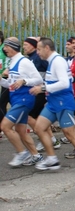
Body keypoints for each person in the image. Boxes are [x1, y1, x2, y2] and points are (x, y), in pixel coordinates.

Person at [29, 37, 75, 173]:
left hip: (63, 102)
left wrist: (43, 89)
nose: (37, 52)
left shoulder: (58, 61)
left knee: (69, 134)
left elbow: (65, 83)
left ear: (47, 48)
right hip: (53, 102)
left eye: (39, 49)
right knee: (39, 128)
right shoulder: (51, 61)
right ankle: (52, 158)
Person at [0, 37, 44, 167]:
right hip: (16, 99)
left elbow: (37, 79)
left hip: (24, 99)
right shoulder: (12, 62)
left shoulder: (24, 62)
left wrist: (24, 81)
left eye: (6, 47)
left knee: (5, 126)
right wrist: (2, 80)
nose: (4, 49)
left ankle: (21, 153)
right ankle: (36, 155)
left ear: (12, 47)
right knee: (20, 130)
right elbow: (11, 84)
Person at [22, 37, 61, 152]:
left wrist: (45, 86)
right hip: (37, 91)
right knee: (39, 117)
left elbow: (51, 72)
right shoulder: (31, 58)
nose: (24, 47)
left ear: (34, 46)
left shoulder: (40, 58)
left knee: (29, 116)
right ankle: (52, 140)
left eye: (26, 45)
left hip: (42, 91)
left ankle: (45, 140)